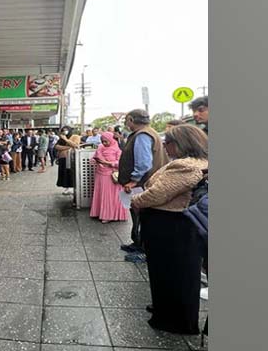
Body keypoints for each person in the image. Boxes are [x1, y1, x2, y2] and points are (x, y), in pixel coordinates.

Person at [131, 124, 208, 334]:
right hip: (175, 225)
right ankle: (166, 310)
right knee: (172, 273)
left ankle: (174, 320)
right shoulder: (195, 163)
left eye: (168, 143)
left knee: (172, 273)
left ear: (181, 144)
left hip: (171, 225)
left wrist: (136, 199)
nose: (164, 146)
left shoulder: (185, 166)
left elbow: (157, 194)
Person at [117, 110, 169, 263]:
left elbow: (144, 162)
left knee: (145, 217)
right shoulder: (149, 132)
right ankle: (138, 243)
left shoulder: (142, 136)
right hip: (146, 183)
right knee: (138, 215)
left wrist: (134, 180)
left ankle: (146, 251)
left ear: (131, 120)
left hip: (143, 184)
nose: (126, 124)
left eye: (127, 121)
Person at [89, 132, 129, 223]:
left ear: (111, 140)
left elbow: (121, 163)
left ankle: (109, 215)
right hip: (100, 174)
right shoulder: (100, 148)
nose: (104, 143)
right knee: (102, 194)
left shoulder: (118, 149)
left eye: (106, 141)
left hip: (112, 176)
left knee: (110, 196)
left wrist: (108, 163)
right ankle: (101, 213)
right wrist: (94, 161)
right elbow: (94, 158)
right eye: (102, 141)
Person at [55, 126, 82, 195]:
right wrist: (68, 146)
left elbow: (76, 145)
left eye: (66, 130)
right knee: (64, 174)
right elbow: (57, 146)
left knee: (71, 173)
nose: (65, 132)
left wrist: (66, 140)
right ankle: (66, 187)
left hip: (71, 158)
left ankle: (73, 188)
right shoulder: (61, 138)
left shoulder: (75, 136)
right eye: (63, 130)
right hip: (62, 158)